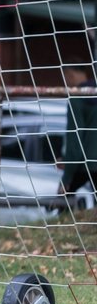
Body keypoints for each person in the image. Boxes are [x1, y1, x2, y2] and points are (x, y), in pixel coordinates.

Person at [59, 61, 97, 202]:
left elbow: (75, 140)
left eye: (65, 78)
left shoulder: (76, 99)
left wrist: (66, 177)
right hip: (90, 163)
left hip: (87, 164)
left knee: (62, 202)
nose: (66, 82)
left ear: (70, 75)